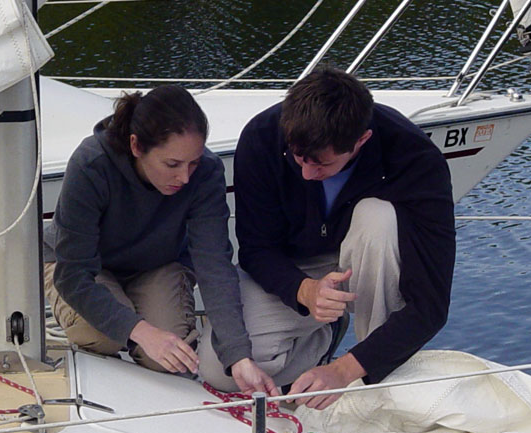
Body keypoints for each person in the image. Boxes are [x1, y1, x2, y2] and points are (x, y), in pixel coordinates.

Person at [199, 67, 455, 408]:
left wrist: (344, 371)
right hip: (296, 270)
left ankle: (372, 378)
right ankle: (324, 337)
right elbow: (257, 249)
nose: (307, 174)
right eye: (298, 158)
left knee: (378, 217)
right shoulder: (262, 137)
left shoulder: (415, 157)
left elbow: (431, 305)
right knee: (221, 370)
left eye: (321, 164)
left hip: (369, 260)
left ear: (361, 140)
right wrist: (304, 290)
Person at [46, 85, 275, 395]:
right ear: (136, 146)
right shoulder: (91, 165)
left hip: (156, 265)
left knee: (172, 359)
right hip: (88, 268)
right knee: (105, 336)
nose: (185, 178)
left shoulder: (206, 173)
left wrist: (238, 356)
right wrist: (140, 331)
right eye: (172, 165)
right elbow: (74, 275)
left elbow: (215, 266)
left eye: (193, 163)